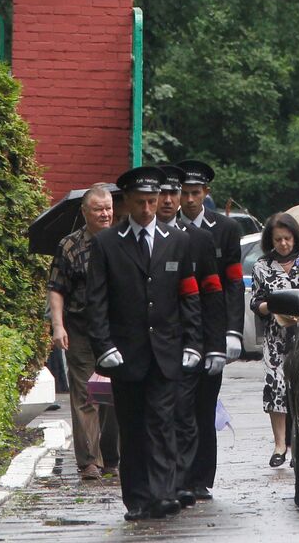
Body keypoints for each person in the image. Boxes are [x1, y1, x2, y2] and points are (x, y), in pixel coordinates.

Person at [86, 166, 204, 522]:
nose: (148, 209)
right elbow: (97, 300)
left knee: (163, 422)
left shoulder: (177, 240)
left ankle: (164, 493)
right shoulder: (107, 243)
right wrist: (103, 346)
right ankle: (137, 499)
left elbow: (189, 296)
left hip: (167, 350)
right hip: (125, 353)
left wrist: (193, 342)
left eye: (153, 201)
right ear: (128, 202)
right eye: (141, 202)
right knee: (133, 426)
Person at [155, 165, 226, 509]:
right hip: (152, 344)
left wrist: (216, 345)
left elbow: (212, 295)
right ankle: (164, 480)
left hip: (190, 342)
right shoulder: (138, 237)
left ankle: (187, 480)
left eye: (176, 193)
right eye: (166, 194)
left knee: (188, 414)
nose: (171, 201)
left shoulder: (198, 239)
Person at [176, 159, 244, 500]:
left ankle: (202, 477)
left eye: (195, 193)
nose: (189, 200)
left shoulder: (226, 230)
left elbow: (234, 285)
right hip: (179, 329)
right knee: (179, 407)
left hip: (212, 327)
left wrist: (233, 331)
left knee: (205, 405)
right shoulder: (168, 228)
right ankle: (181, 474)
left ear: (206, 193)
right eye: (184, 193)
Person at [47, 183, 120, 482]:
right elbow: (56, 288)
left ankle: (112, 457)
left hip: (116, 330)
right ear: (85, 212)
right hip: (80, 328)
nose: (104, 214)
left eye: (108, 208)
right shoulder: (69, 246)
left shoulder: (122, 241)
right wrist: (58, 325)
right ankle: (89, 461)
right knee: (86, 394)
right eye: (98, 209)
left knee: (114, 394)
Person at [251, 212, 299, 467]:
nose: (283, 244)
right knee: (276, 387)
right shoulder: (262, 266)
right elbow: (256, 301)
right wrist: (272, 307)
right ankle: (279, 445)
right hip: (276, 337)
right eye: (278, 240)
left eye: (287, 239)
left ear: (295, 237)